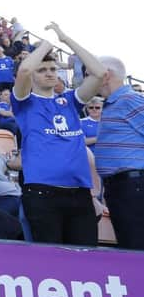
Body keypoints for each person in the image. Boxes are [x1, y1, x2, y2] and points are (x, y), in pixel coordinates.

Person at [11, 22, 106, 246]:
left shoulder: (70, 101)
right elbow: (24, 70)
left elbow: (100, 73)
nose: (49, 73)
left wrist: (65, 39)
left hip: (80, 193)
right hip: (43, 194)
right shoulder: (25, 103)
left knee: (85, 259)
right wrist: (46, 45)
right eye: (42, 70)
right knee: (51, 264)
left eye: (53, 69)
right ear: (33, 76)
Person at [96, 56, 144, 249]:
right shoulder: (113, 103)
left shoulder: (129, 99)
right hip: (121, 187)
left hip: (133, 186)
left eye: (91, 74)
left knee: (136, 247)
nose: (88, 80)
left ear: (106, 75)